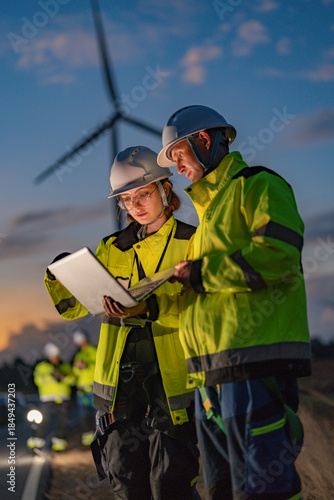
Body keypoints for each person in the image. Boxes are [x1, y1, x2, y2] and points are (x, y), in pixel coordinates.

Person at [146, 104, 310, 499]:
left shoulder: (258, 186)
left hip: (252, 366)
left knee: (264, 488)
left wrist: (201, 274)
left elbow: (277, 255)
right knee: (222, 489)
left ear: (204, 140)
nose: (178, 169)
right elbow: (209, 295)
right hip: (210, 377)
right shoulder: (208, 218)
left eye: (179, 156)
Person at [44, 146, 200, 500]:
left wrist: (145, 310)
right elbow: (72, 309)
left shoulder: (192, 241)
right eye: (127, 199)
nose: (136, 205)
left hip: (172, 381)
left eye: (143, 193)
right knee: (127, 482)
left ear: (165, 189)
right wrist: (58, 275)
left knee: (171, 482)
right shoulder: (111, 247)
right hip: (119, 386)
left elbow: (204, 307)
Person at [27, 342, 75, 451]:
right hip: (47, 400)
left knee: (63, 422)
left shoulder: (65, 366)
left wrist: (63, 376)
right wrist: (51, 376)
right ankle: (37, 443)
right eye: (53, 356)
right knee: (43, 421)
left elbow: (72, 380)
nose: (55, 359)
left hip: (63, 399)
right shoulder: (42, 367)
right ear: (48, 356)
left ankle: (59, 444)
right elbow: (38, 380)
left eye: (57, 356)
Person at [72, 328, 97, 446]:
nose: (82, 344)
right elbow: (75, 373)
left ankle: (100, 436)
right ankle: (88, 440)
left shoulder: (95, 351)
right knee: (84, 416)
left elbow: (101, 368)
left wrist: (87, 366)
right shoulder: (78, 355)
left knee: (98, 414)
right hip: (82, 392)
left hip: (95, 389)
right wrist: (78, 367)